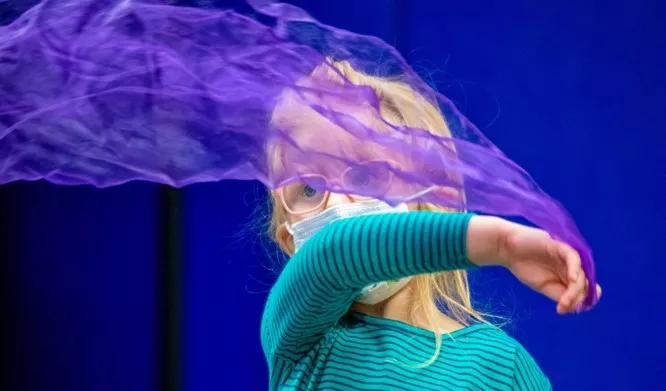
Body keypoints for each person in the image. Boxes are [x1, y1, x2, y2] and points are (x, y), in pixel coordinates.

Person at [261, 60, 601, 390]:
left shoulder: (500, 367)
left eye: (364, 174)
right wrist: (500, 245)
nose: (336, 203)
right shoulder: (297, 339)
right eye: (309, 189)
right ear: (290, 243)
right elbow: (335, 252)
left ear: (431, 199)